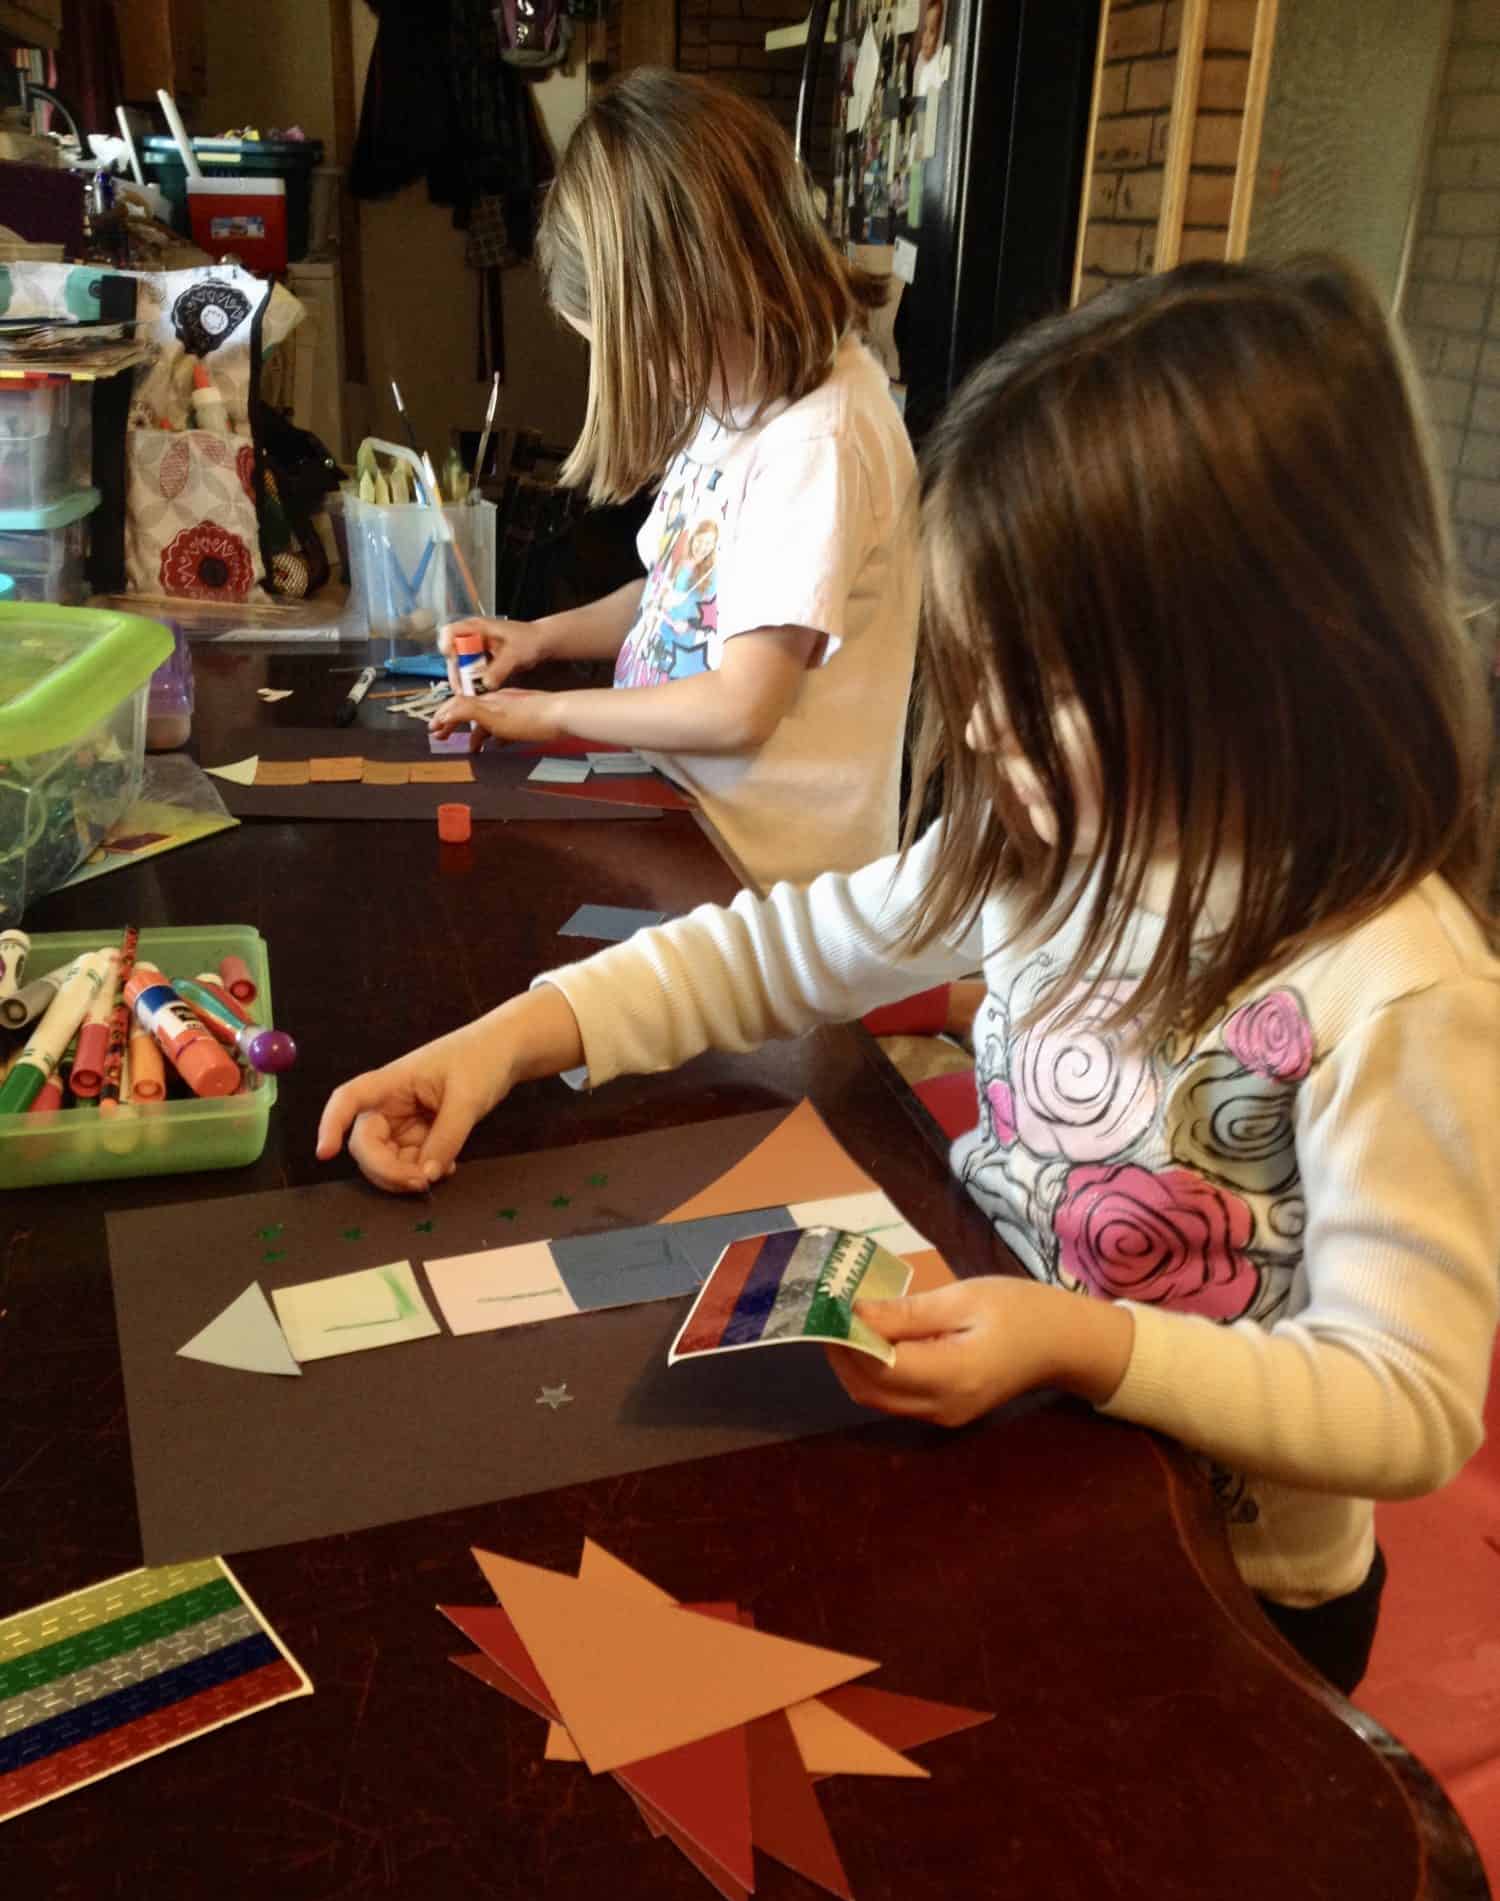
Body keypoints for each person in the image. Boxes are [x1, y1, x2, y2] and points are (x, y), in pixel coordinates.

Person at [320, 259, 1500, 1694]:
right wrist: (512, 1038)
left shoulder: (1396, 986)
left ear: (1262, 669)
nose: (985, 738)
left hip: (1232, 1599)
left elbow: (1408, 1404)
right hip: (1022, 1455)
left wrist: (1082, 1344)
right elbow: (773, 948)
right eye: (978, 675)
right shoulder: (1050, 846)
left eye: (1042, 687)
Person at [431, 67, 920, 891]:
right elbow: (677, 593)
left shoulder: (818, 443)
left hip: (768, 885)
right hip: (681, 819)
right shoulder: (736, 393)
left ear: (691, 299)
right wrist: (545, 636)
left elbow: (739, 705)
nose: (643, 380)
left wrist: (546, 711)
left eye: (634, 352)